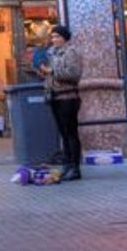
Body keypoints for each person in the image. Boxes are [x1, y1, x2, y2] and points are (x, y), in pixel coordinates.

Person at [39, 24, 83, 181]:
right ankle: (67, 165)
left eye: (57, 36)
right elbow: (49, 73)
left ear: (65, 38)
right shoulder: (51, 53)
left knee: (71, 133)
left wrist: (52, 71)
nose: (54, 39)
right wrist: (42, 70)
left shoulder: (71, 52)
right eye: (52, 37)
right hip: (54, 96)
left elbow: (74, 73)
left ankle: (75, 168)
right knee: (63, 134)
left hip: (68, 97)